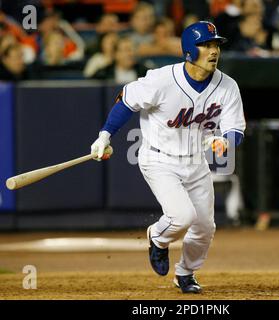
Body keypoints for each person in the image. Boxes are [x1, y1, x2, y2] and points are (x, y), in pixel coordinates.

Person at [90, 21, 246, 293]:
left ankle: (186, 273)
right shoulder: (162, 80)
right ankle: (159, 239)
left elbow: (236, 127)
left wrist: (225, 140)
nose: (213, 51)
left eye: (216, 45)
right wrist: (104, 136)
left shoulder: (227, 86)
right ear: (189, 51)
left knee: (205, 227)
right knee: (182, 217)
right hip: (159, 160)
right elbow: (126, 101)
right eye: (206, 45)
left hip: (196, 162)